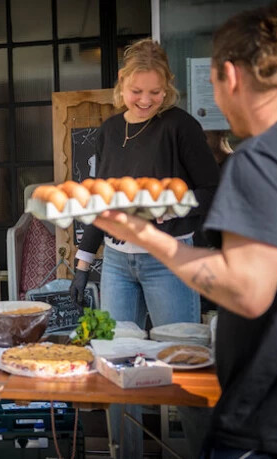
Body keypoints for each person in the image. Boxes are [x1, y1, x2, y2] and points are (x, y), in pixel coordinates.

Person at [92, 2, 277, 457]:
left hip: (264, 425)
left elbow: (247, 290)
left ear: (230, 76)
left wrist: (148, 236)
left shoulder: (260, 160)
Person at [68, 38, 221, 458]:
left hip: (168, 260)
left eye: (155, 92)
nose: (146, 100)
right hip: (117, 263)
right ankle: (124, 452)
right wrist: (83, 264)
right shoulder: (109, 131)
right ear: (122, 86)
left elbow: (212, 190)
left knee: (184, 369)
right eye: (137, 92)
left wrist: (170, 209)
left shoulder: (180, 126)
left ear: (167, 87)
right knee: (119, 370)